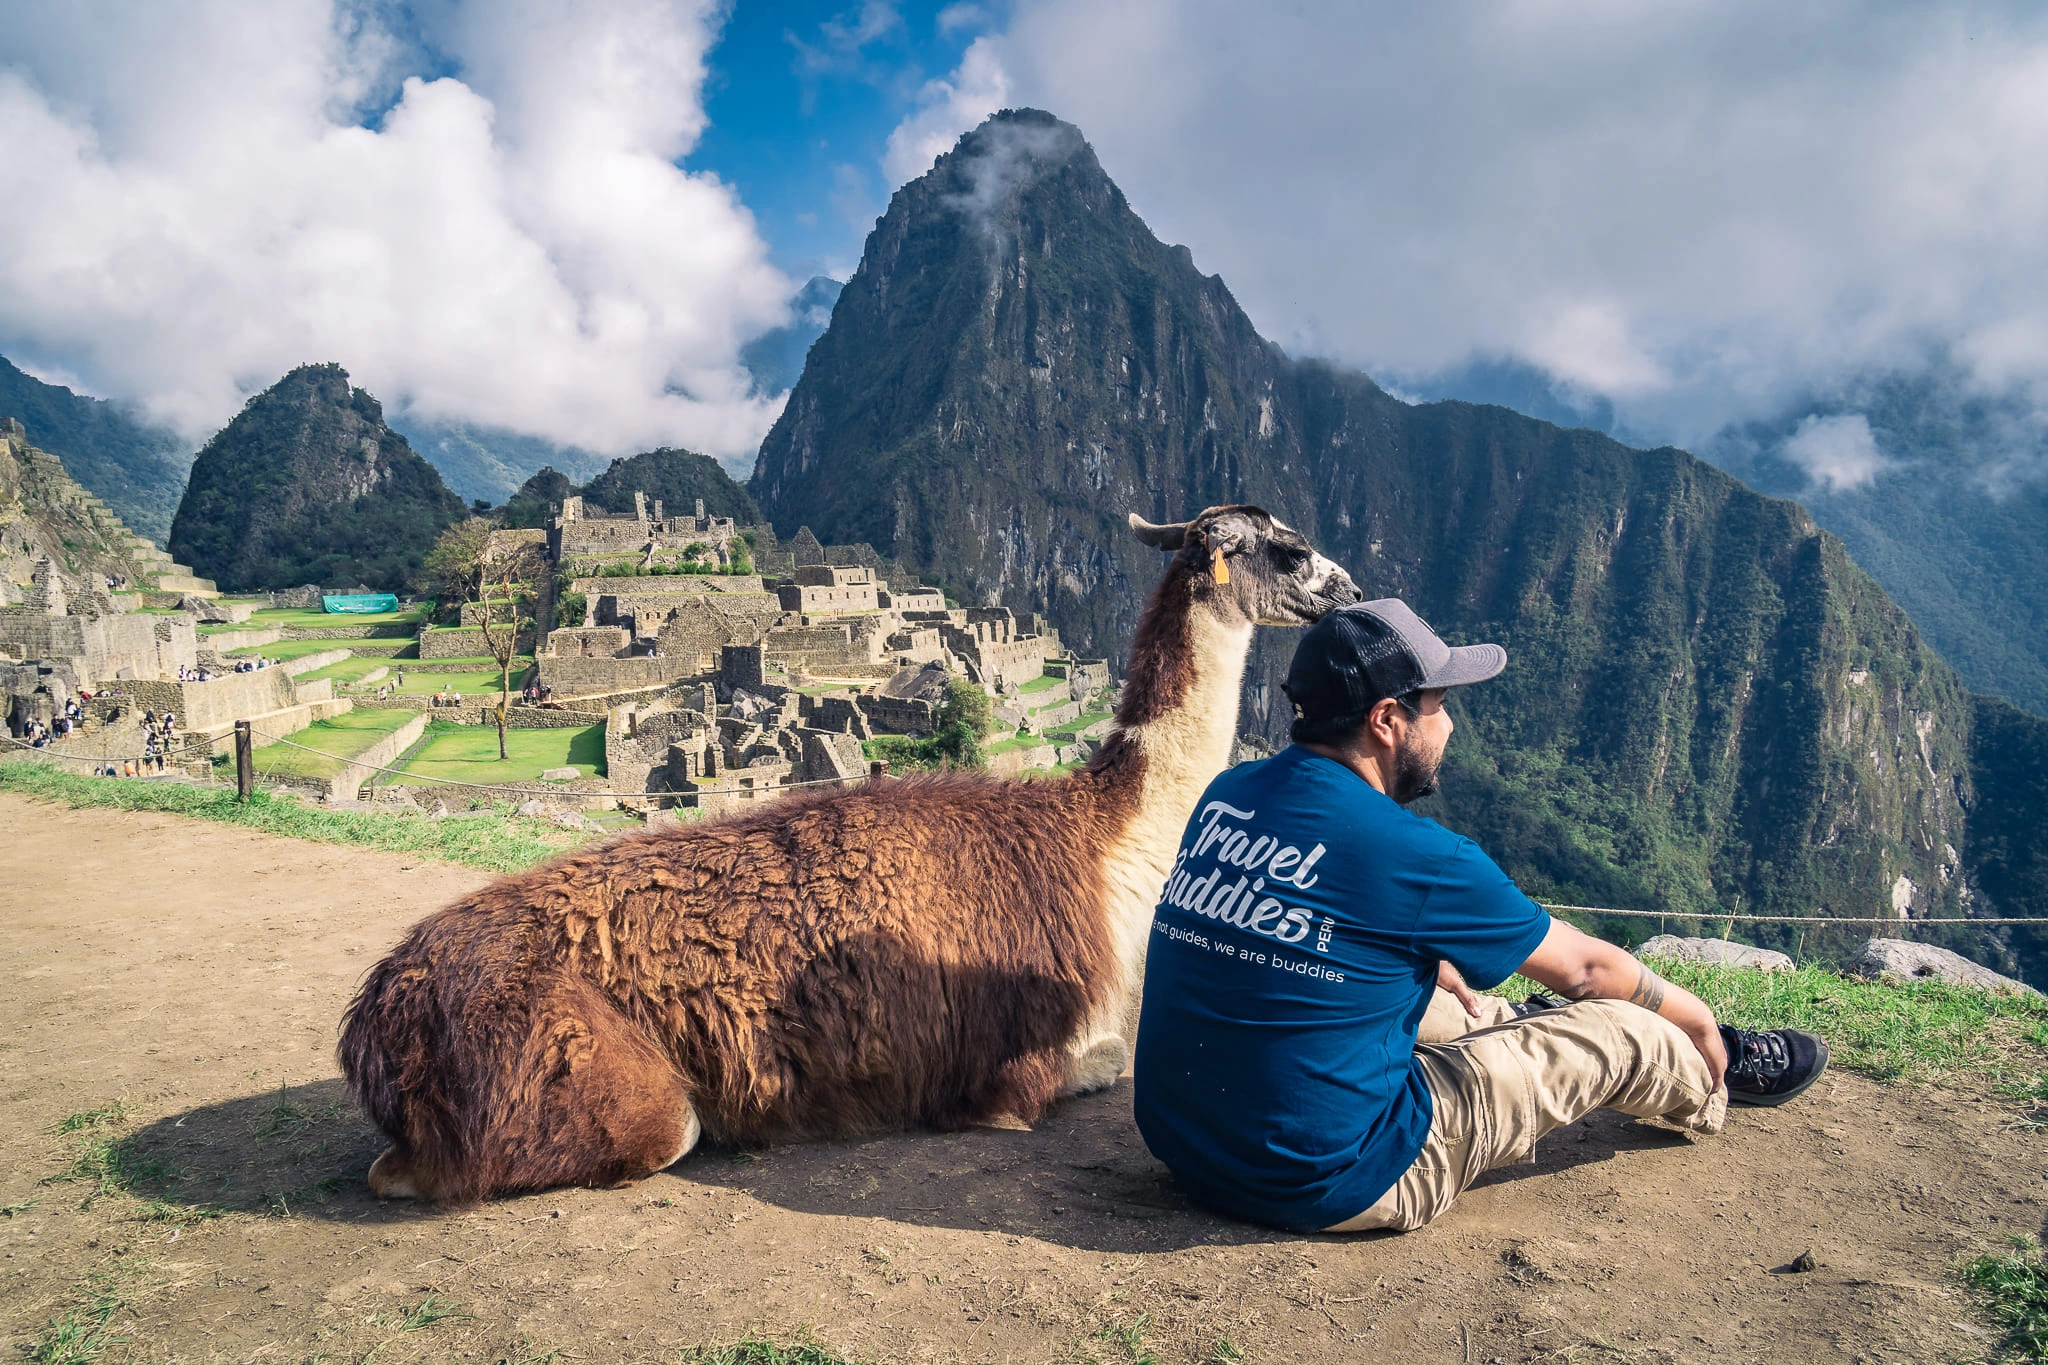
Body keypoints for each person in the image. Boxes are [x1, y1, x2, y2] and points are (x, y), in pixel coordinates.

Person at [1133, 599, 1828, 1235]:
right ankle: (1716, 1073)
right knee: (1619, 1028)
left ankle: (1524, 1021)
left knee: (1458, 1008)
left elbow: (1275, 916)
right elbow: (1587, 969)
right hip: (1336, 1177)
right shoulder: (1415, 853)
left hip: (1190, 1148)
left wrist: (1412, 954)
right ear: (1386, 719)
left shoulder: (1230, 792)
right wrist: (1696, 1015)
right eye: (1437, 702)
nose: (1451, 722)